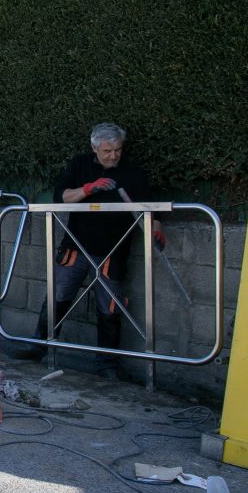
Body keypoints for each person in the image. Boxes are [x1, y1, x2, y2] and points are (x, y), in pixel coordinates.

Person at [14, 123, 164, 380]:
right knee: (58, 295)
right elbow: (60, 198)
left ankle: (107, 365)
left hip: (113, 252)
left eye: (117, 150)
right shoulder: (80, 165)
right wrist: (88, 189)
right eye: (107, 151)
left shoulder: (132, 172)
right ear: (95, 148)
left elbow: (152, 208)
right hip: (76, 246)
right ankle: (40, 346)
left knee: (111, 308)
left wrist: (156, 228)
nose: (113, 156)